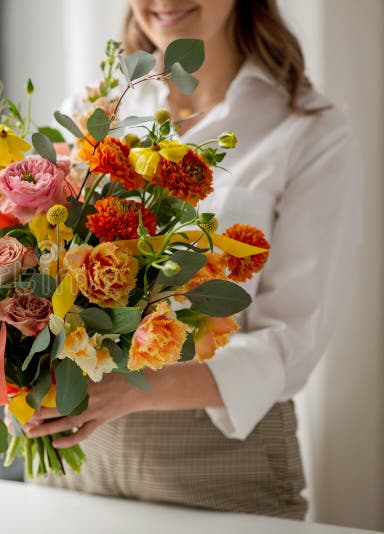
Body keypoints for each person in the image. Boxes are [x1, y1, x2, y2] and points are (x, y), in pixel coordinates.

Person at [22, 0, 362, 519]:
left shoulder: (308, 134)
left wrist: (128, 392)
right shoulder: (97, 112)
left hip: (221, 467)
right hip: (74, 460)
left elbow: (290, 341)